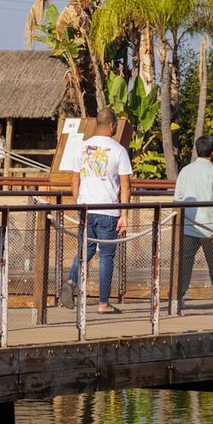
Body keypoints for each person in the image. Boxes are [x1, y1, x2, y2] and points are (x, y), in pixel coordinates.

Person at [61, 108, 133, 314]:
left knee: (86, 249)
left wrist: (79, 203)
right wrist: (124, 214)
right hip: (108, 209)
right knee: (107, 256)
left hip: (86, 207)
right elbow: (126, 185)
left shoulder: (81, 148)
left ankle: (71, 280)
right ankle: (103, 302)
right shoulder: (119, 150)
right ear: (112, 125)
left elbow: (75, 180)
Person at [174, 134, 213, 307]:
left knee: (184, 262)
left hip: (188, 224)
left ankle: (177, 297)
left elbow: (178, 198)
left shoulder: (185, 171)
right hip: (210, 226)